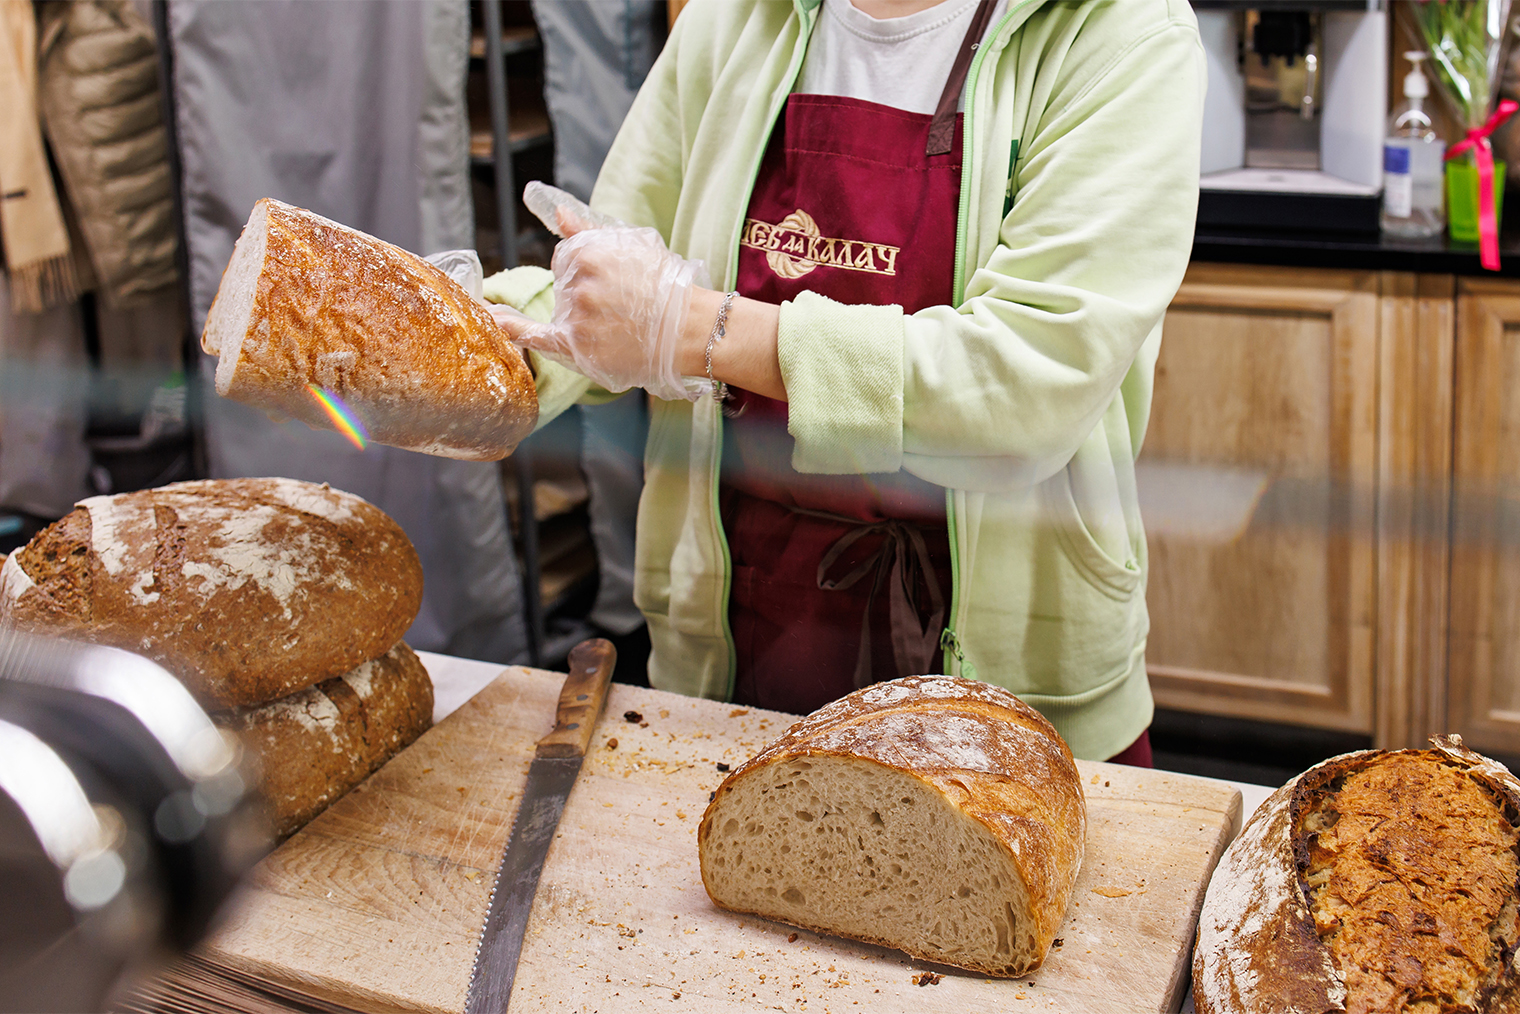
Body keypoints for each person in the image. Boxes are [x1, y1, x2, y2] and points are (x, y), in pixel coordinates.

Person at [488, 0, 1204, 764]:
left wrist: (698, 329)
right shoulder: (731, 18)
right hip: (730, 657)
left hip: (1008, 694)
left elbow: (1025, 386)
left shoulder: (1121, 31)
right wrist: (497, 345)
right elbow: (611, 273)